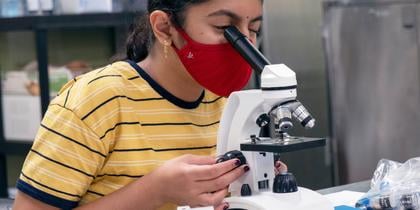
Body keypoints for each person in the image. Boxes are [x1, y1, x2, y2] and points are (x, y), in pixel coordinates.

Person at [13, 0, 286, 209]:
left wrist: (253, 183)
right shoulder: (95, 100)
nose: (245, 45)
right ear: (165, 27)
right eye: (224, 29)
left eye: (253, 29)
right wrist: (154, 191)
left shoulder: (228, 105)